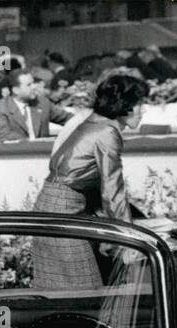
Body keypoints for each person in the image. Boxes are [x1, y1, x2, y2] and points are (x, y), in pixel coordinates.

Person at [31, 74, 149, 289]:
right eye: (139, 104)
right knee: (84, 292)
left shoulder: (94, 122)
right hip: (63, 213)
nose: (143, 110)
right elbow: (113, 190)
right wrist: (129, 238)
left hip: (53, 206)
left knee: (67, 293)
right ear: (125, 105)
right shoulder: (107, 131)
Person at [0, 70, 73, 141]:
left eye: (33, 83)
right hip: (16, 156)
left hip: (43, 156)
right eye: (29, 85)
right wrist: (33, 142)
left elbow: (67, 118)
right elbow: (4, 134)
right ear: (16, 90)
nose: (34, 87)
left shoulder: (43, 103)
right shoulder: (0, 108)